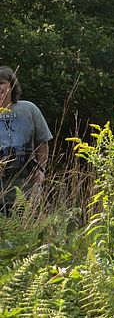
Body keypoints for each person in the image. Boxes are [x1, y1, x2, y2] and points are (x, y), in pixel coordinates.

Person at [0, 66, 52, 214]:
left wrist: (42, 170)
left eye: (1, 83)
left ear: (11, 85)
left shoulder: (29, 109)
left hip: (28, 188)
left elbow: (43, 141)